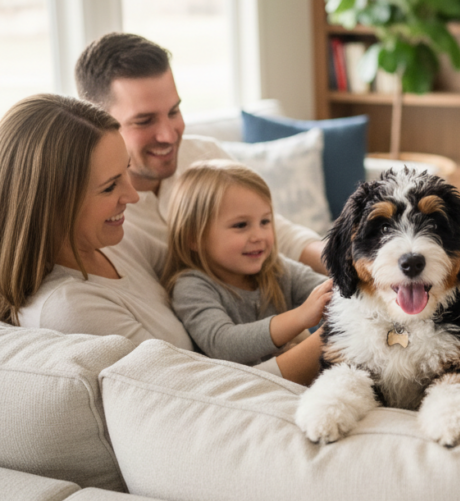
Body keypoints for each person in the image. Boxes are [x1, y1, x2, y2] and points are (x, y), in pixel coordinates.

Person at [74, 32, 327, 274]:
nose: (170, 135)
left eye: (174, 112)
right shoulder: (98, 214)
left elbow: (278, 234)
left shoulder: (205, 155)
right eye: (145, 121)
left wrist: (344, 261)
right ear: (98, 124)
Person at [0, 94, 192, 349]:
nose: (133, 196)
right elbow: (187, 383)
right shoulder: (70, 308)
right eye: (110, 186)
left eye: (127, 170)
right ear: (53, 203)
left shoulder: (111, 238)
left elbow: (196, 268)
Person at [161, 159, 332, 379]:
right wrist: (300, 316)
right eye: (241, 225)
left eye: (265, 221)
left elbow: (324, 288)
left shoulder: (275, 268)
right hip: (243, 389)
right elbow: (224, 344)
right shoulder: (191, 286)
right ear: (194, 237)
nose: (259, 236)